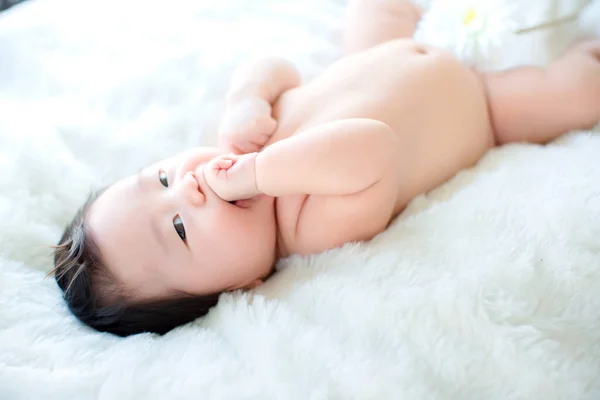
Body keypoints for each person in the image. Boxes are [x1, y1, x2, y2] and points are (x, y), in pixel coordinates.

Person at [50, 0, 600, 337]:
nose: (188, 189)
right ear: (242, 285)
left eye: (164, 178)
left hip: (383, 51)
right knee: (576, 93)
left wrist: (247, 98)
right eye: (177, 227)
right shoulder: (305, 225)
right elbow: (374, 148)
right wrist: (258, 175)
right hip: (481, 104)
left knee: (370, 9)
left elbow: (277, 68)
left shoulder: (240, 139)